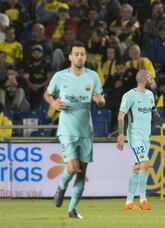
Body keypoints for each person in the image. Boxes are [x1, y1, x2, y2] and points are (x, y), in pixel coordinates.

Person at [44, 41, 105, 219]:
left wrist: (99, 100)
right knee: (72, 167)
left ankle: (72, 210)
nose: (80, 57)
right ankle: (61, 188)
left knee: (82, 172)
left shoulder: (92, 76)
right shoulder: (60, 76)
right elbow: (47, 94)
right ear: (70, 57)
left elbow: (101, 100)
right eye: (76, 54)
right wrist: (53, 103)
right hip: (67, 129)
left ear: (86, 57)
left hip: (86, 130)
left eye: (83, 54)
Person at [117, 69, 165, 210]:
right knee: (145, 163)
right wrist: (120, 135)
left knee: (137, 168)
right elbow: (120, 116)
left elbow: (155, 115)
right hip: (135, 135)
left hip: (146, 137)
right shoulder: (129, 95)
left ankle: (129, 202)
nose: (153, 79)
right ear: (143, 79)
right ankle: (143, 200)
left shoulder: (150, 95)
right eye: (150, 77)